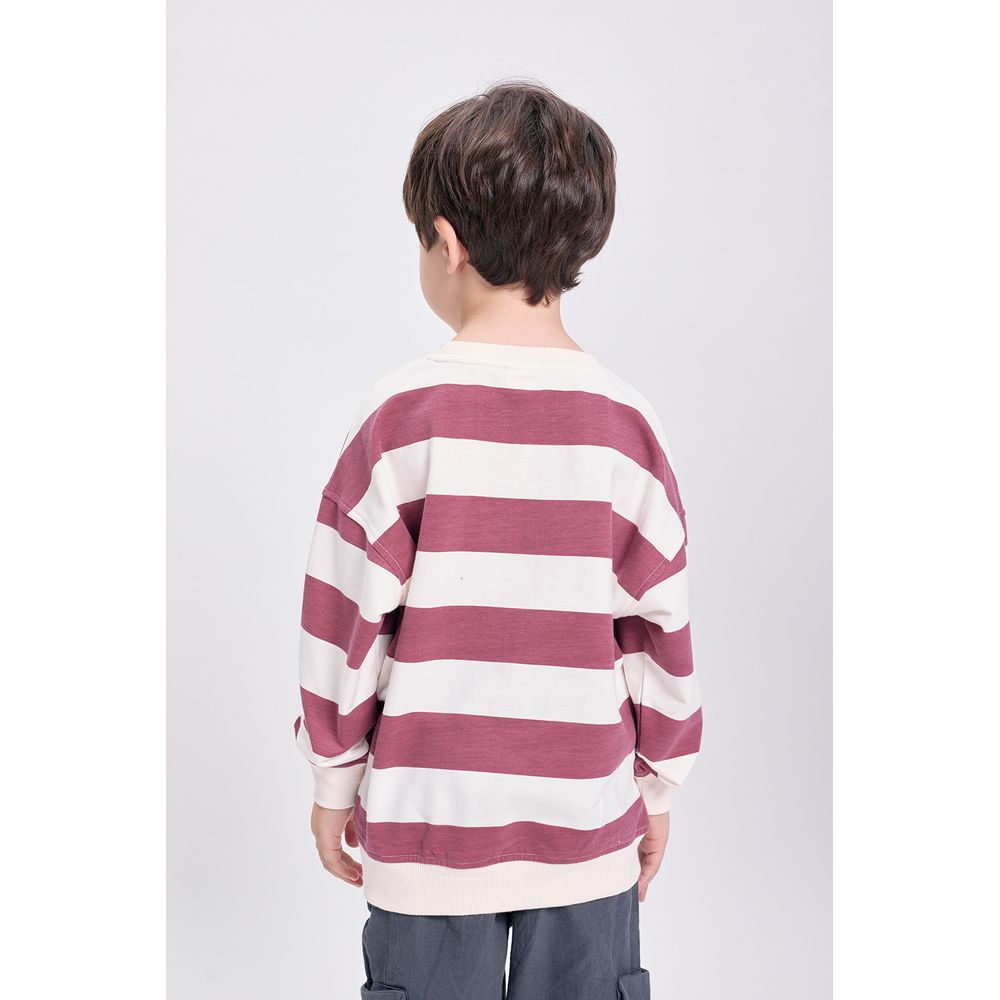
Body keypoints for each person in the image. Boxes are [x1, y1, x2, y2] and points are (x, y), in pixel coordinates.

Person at [293, 80, 702, 1000]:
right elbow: (659, 636)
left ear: (446, 243)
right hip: (586, 822)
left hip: (430, 827)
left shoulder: (401, 417)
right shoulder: (626, 425)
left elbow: (344, 626)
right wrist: (656, 788)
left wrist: (333, 780)